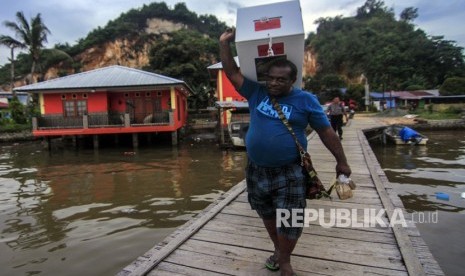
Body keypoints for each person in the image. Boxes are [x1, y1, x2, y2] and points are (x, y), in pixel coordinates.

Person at [219, 28, 351, 276]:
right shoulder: (256, 92)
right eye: (270, 78)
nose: (274, 83)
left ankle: (286, 260)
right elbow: (231, 72)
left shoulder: (306, 100)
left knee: (290, 219)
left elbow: (326, 132)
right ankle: (279, 251)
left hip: (290, 170)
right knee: (266, 212)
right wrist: (224, 44)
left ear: (293, 80)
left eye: (281, 79)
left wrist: (341, 162)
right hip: (257, 169)